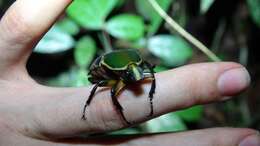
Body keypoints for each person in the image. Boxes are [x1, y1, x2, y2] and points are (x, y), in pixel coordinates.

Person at [0, 0, 259, 146]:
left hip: (122, 64)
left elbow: (146, 71)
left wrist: (148, 93)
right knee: (104, 92)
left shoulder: (138, 65)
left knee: (143, 78)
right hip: (104, 70)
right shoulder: (114, 77)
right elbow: (100, 83)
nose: (138, 78)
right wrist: (113, 113)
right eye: (133, 74)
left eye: (139, 71)